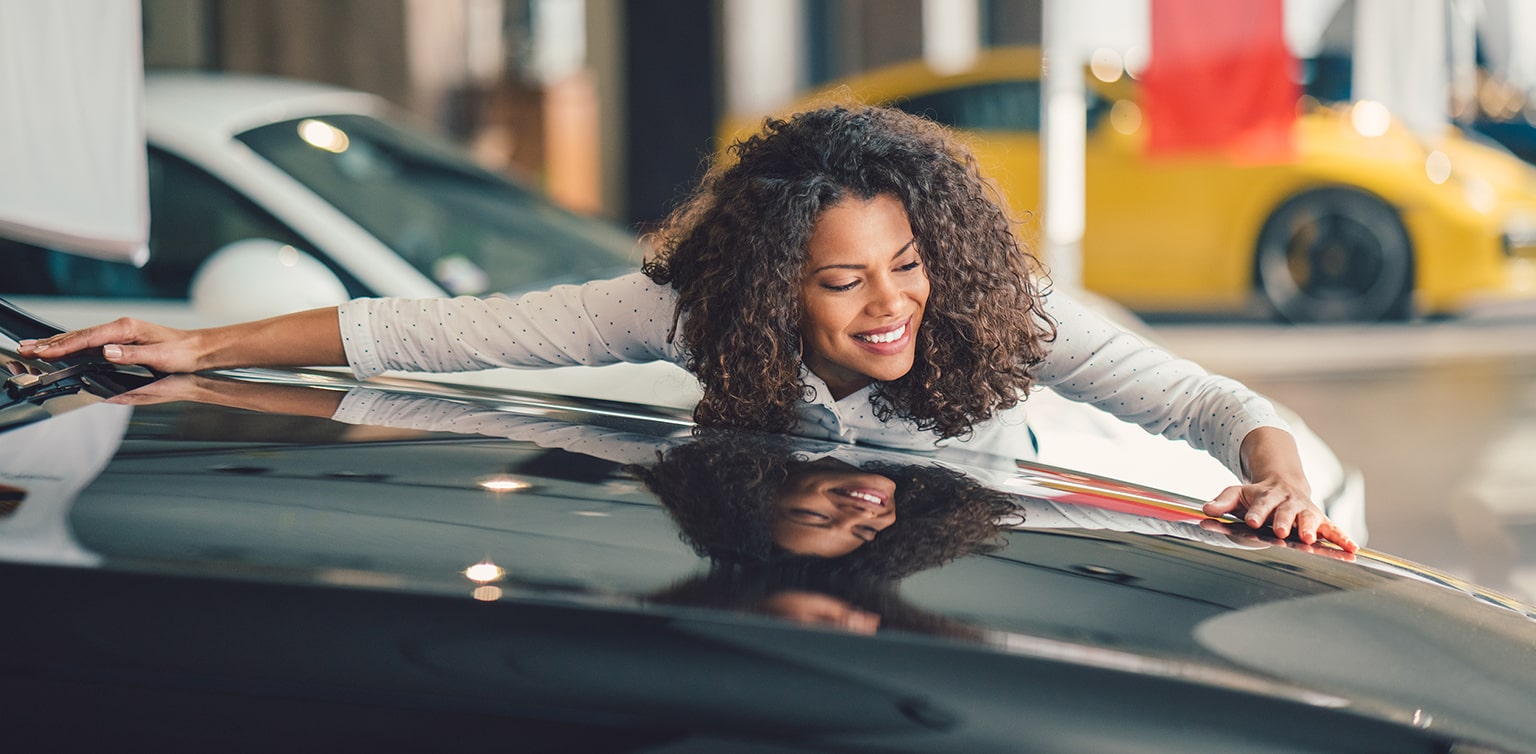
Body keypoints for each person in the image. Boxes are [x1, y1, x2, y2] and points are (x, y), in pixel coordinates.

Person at [16, 103, 1357, 552]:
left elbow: (1202, 401)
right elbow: (438, 334)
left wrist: (1280, 476)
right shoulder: (686, 312)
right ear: (775, 282)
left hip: (982, 584)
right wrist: (200, 350)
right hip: (769, 605)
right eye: (845, 281)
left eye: (905, 263)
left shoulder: (990, 320)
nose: (891, 304)